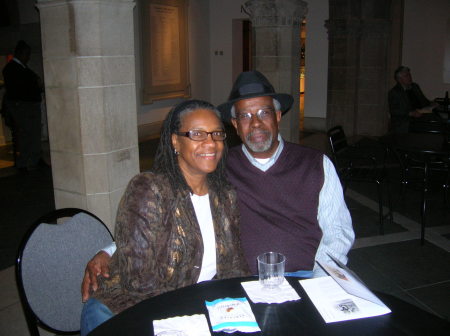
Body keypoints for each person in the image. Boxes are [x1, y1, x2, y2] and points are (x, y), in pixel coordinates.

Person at [81, 71, 354, 300]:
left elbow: (338, 234)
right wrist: (110, 251)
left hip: (305, 278)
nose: (256, 123)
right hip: (244, 284)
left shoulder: (316, 164)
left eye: (264, 112)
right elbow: (163, 209)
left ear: (278, 116)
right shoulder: (219, 166)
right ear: (235, 124)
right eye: (246, 116)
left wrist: (318, 285)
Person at [80, 100, 249, 335]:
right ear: (175, 141)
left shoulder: (225, 195)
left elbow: (235, 266)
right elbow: (140, 283)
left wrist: (239, 307)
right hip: (123, 312)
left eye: (217, 134)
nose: (211, 142)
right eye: (197, 134)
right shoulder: (149, 189)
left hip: (193, 308)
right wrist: (194, 317)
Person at [2, 40, 43, 171]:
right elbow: (21, 88)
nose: (28, 57)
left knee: (30, 134)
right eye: (27, 54)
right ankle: (28, 161)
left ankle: (30, 160)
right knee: (29, 134)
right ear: (21, 53)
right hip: (24, 107)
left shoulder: (21, 68)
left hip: (28, 105)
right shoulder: (12, 69)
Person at [388, 66, 438, 133]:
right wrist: (410, 113)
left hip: (421, 115)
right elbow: (394, 111)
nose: (410, 77)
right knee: (432, 127)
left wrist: (432, 103)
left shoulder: (415, 87)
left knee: (437, 120)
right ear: (399, 79)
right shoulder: (394, 92)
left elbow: (424, 101)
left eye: (409, 75)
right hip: (406, 121)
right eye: (406, 76)